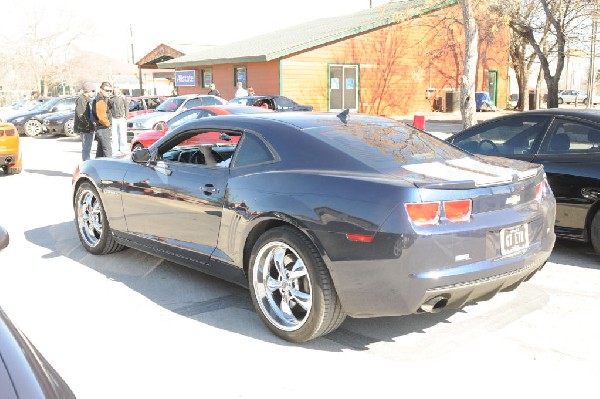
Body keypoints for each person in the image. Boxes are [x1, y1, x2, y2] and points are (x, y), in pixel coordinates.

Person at [74, 82, 96, 161]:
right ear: (88, 90)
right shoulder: (81, 100)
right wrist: (90, 125)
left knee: (88, 148)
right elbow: (81, 115)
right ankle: (85, 165)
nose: (93, 93)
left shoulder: (87, 100)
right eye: (92, 91)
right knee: (86, 149)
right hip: (85, 129)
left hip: (88, 128)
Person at [92, 82, 113, 158]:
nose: (109, 92)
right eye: (107, 90)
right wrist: (108, 124)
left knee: (100, 152)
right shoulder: (100, 100)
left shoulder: (101, 99)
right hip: (103, 128)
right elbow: (102, 117)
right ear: (101, 90)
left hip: (100, 128)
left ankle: (97, 167)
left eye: (110, 91)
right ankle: (109, 168)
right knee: (107, 151)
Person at [109, 84, 129, 156]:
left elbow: (126, 107)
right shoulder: (111, 98)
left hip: (122, 118)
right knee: (114, 135)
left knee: (122, 134)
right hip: (114, 118)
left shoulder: (123, 97)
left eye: (117, 87)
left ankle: (123, 149)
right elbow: (109, 109)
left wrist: (126, 116)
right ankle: (115, 149)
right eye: (115, 87)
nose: (116, 89)